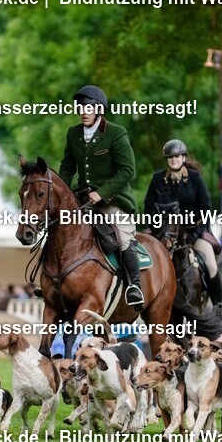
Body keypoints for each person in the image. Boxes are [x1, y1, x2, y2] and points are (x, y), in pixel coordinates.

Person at [58, 85, 144, 308]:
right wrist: (62, 195)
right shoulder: (73, 133)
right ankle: (54, 281)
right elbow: (67, 167)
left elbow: (127, 170)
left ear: (98, 109)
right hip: (83, 201)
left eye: (88, 107)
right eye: (81, 107)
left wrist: (102, 193)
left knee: (123, 237)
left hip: (113, 201)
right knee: (60, 231)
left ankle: (134, 286)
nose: (83, 111)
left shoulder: (116, 133)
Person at [143, 139, 222, 319]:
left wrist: (196, 234)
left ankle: (219, 304)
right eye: (170, 157)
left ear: (183, 157)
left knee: (211, 263)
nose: (174, 160)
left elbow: (205, 209)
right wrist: (157, 230)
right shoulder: (158, 179)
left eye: (177, 156)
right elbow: (148, 208)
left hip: (193, 233)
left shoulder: (195, 178)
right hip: (165, 233)